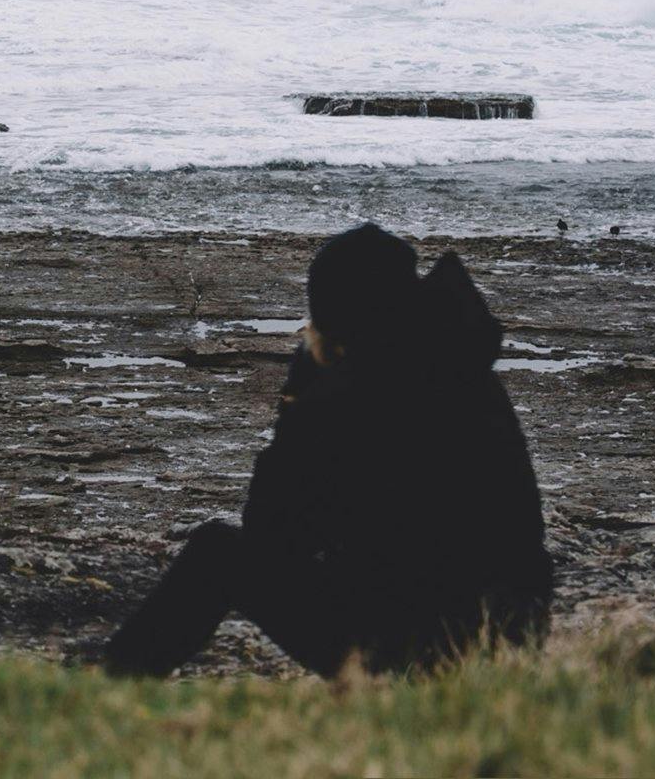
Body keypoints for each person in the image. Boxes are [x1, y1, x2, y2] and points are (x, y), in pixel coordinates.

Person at [103, 223, 552, 677]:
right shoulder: (460, 363)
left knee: (218, 554)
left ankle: (111, 685)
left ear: (339, 313)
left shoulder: (351, 393)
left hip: (415, 650)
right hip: (507, 639)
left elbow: (274, 533)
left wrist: (298, 402)